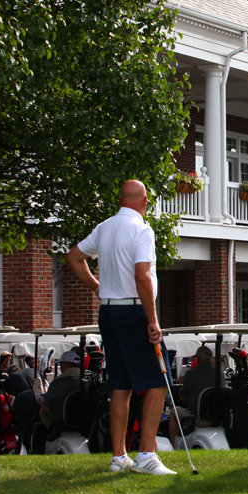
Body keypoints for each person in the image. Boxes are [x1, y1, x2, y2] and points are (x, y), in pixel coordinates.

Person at [65, 179, 175, 475]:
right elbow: (143, 276)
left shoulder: (104, 228)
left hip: (109, 313)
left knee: (121, 385)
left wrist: (98, 288)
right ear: (145, 201)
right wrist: (153, 320)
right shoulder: (142, 229)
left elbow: (74, 258)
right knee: (157, 382)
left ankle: (119, 457)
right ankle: (147, 455)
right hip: (133, 311)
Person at [168, 346, 222, 447]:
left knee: (174, 411)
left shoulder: (191, 374)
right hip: (218, 417)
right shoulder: (220, 374)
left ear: (197, 359)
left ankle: (174, 445)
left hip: (198, 418)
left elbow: (182, 397)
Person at [34, 350, 82, 433]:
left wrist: (41, 402)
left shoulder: (57, 383)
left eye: (61, 365)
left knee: (43, 410)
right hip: (82, 422)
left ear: (66, 365)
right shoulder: (86, 381)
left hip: (61, 424)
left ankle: (51, 433)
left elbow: (46, 409)